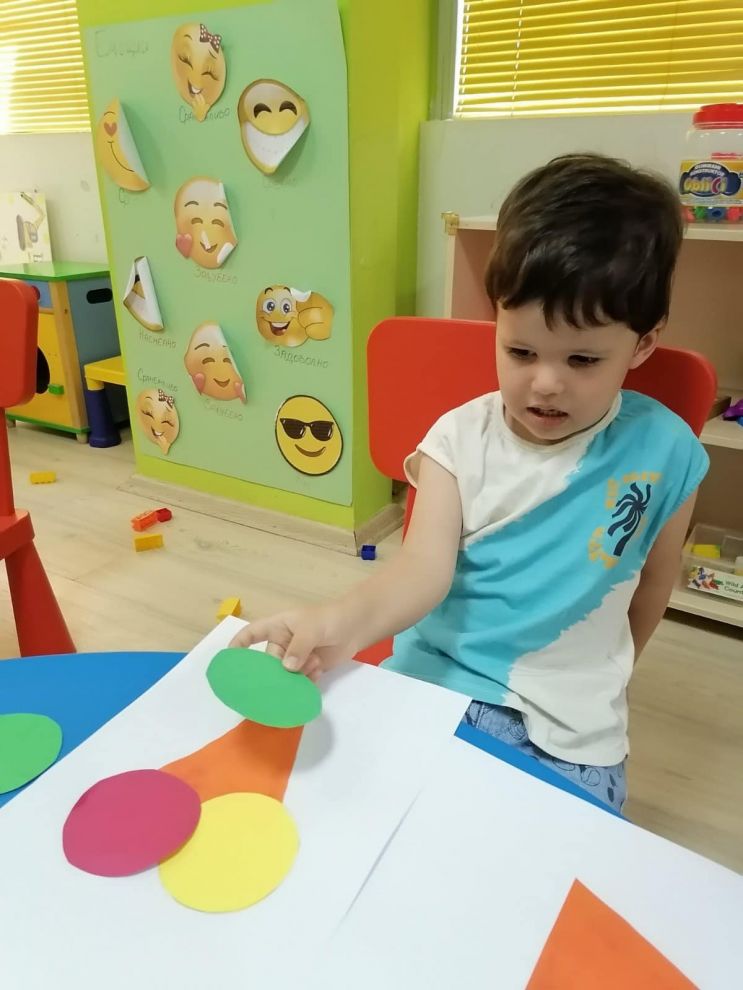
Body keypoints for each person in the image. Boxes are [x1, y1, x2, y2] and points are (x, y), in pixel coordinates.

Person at [230, 154, 709, 812]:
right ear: (497, 324)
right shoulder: (457, 440)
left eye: (582, 359)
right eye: (520, 351)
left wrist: (603, 680)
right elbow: (418, 573)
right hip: (439, 686)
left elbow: (653, 584)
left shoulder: (668, 451)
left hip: (572, 735)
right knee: (337, 815)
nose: (545, 383)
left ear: (643, 344)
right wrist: (334, 620)